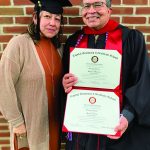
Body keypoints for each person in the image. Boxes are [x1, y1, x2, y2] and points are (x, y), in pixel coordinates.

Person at [62, 0, 150, 149]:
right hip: (83, 129)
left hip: (117, 128)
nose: (91, 11)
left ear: (109, 10)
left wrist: (126, 117)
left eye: (97, 5)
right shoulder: (74, 41)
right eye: (86, 6)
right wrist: (65, 83)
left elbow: (141, 82)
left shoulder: (131, 39)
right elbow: (66, 80)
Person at [0, 0, 72, 150]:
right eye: (47, 16)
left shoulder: (58, 49)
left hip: (52, 126)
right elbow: (3, 85)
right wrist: (17, 122)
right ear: (35, 18)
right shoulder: (19, 45)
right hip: (28, 128)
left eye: (57, 19)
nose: (53, 23)